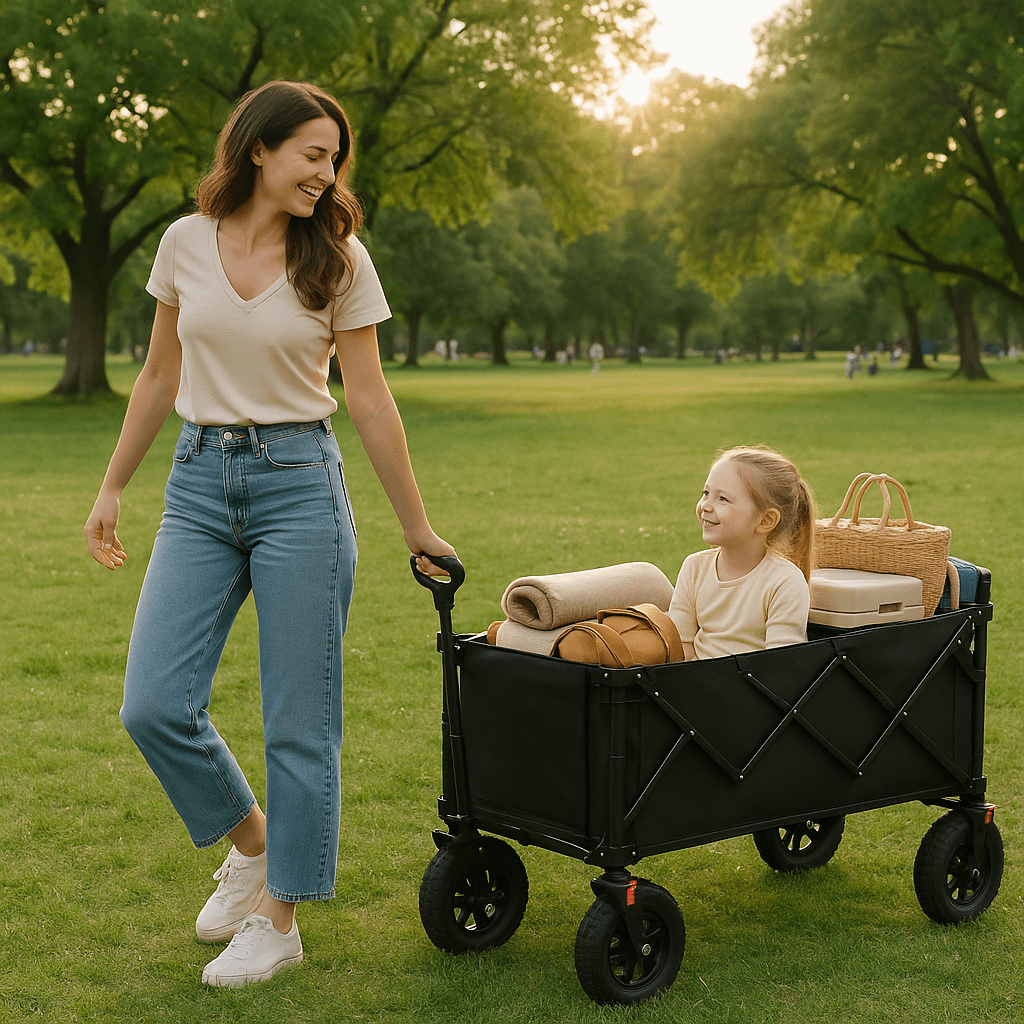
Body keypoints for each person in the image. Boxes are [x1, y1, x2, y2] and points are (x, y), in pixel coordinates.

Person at [83, 80, 454, 988]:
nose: (325, 178)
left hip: (301, 487)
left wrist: (417, 526)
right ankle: (251, 843)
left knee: (300, 723)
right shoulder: (183, 243)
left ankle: (280, 916)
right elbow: (158, 374)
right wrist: (112, 487)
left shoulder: (339, 259)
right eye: (312, 156)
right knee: (153, 704)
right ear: (260, 148)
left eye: (334, 162)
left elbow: (367, 397)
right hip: (199, 484)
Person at [667, 446, 815, 660]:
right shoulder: (694, 568)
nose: (705, 506)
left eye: (723, 499)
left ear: (765, 520)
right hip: (696, 684)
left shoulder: (785, 582)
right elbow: (681, 647)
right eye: (706, 493)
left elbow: (780, 665)